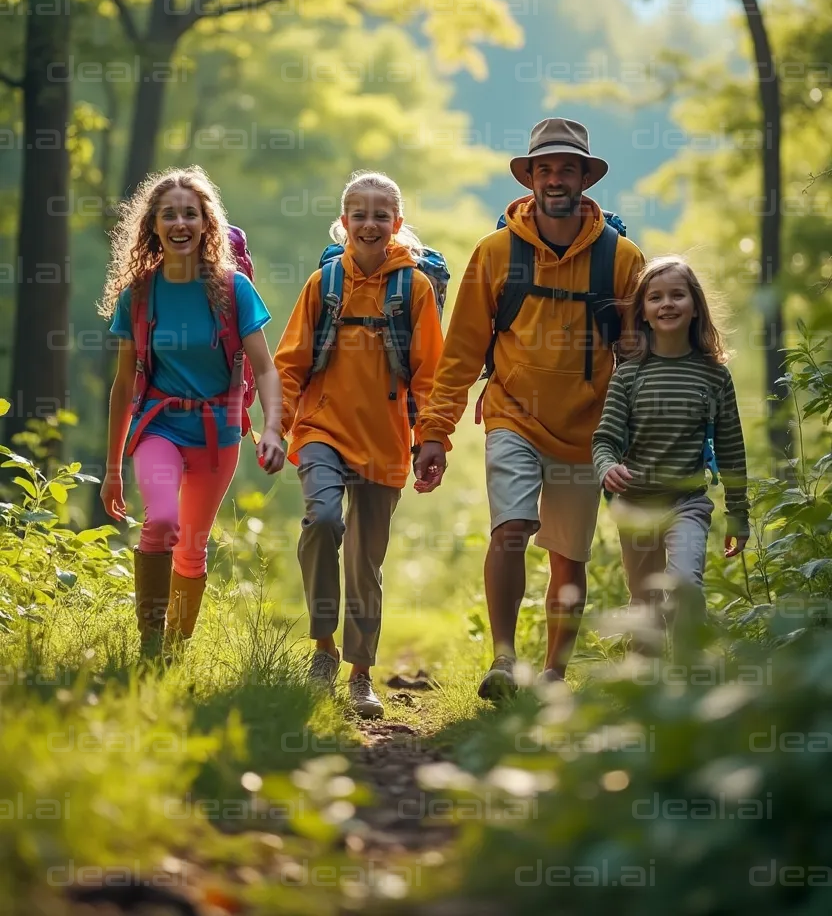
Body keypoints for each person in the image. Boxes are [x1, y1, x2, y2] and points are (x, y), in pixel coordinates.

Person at [414, 119, 644, 698]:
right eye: (545, 169)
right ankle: (503, 659)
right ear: (531, 178)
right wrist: (434, 434)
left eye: (568, 168)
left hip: (587, 427)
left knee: (568, 556)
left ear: (586, 178)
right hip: (512, 413)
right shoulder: (495, 253)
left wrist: (638, 436)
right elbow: (463, 350)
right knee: (511, 529)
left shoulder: (622, 259)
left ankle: (554, 675)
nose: (556, 179)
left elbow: (641, 354)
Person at [275, 171, 443, 719]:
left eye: (380, 215)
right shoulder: (323, 284)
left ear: (396, 224)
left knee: (365, 562)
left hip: (386, 440)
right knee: (323, 520)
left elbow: (429, 375)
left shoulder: (413, 288)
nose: (369, 223)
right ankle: (323, 649)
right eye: (358, 213)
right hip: (322, 430)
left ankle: (361, 675)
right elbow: (290, 364)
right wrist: (277, 429)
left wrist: (431, 440)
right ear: (344, 221)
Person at [98, 166, 285, 660]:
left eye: (190, 213)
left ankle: (175, 650)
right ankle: (150, 644)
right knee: (161, 520)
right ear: (153, 227)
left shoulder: (232, 290)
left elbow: (265, 369)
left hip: (217, 433)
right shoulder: (138, 294)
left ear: (207, 224)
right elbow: (122, 385)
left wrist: (271, 427)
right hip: (158, 425)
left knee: (192, 546)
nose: (180, 223)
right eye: (169, 215)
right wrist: (112, 468)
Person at [592, 255, 750, 649]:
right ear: (643, 312)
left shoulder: (714, 375)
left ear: (695, 306)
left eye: (678, 295)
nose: (667, 304)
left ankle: (689, 674)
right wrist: (607, 466)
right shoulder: (628, 375)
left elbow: (731, 447)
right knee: (644, 602)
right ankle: (645, 684)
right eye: (656, 297)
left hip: (687, 503)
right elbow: (604, 439)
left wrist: (738, 514)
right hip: (636, 505)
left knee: (685, 588)